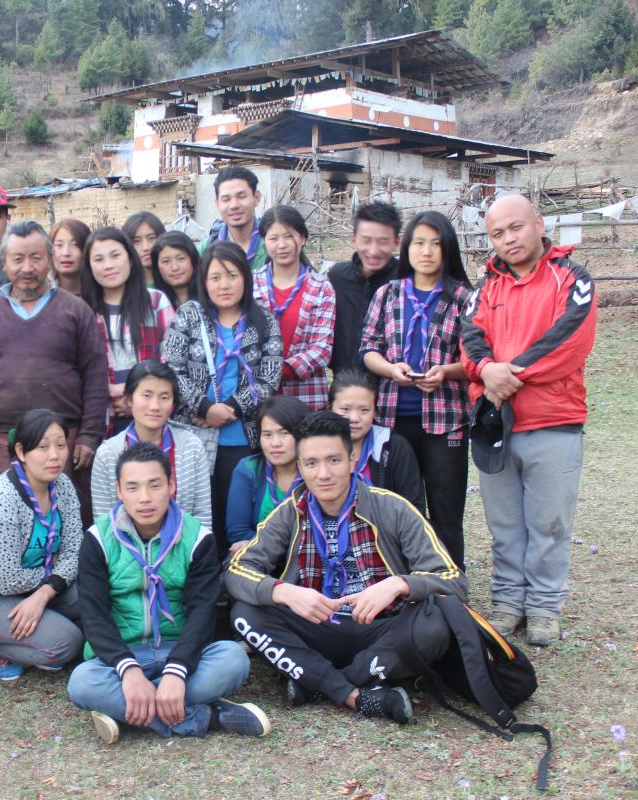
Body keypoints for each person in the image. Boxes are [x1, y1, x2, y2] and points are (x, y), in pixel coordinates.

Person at [226, 411, 466, 723]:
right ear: (299, 466)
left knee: (438, 621)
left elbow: (453, 580)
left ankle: (316, 682)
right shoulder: (290, 512)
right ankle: (357, 694)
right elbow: (236, 571)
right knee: (244, 615)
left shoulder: (392, 507)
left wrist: (399, 585)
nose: (323, 473)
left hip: (384, 630)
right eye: (311, 463)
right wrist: (284, 592)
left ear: (353, 460)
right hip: (318, 627)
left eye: (334, 460)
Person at [460, 194, 596, 647]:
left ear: (538, 223)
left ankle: (543, 608)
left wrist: (504, 373)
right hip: (496, 423)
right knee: (504, 523)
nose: (508, 239)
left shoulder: (571, 278)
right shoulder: (485, 287)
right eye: (497, 234)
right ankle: (507, 603)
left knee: (550, 522)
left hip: (553, 421)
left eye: (516, 228)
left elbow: (568, 341)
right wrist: (484, 371)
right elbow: (470, 337)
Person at [68, 442, 270, 742]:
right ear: (119, 491)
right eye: (133, 488)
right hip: (120, 657)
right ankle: (206, 715)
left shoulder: (197, 537)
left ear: (171, 485)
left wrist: (176, 672)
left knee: (234, 659)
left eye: (155, 485)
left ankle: (131, 712)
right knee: (82, 683)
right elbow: (94, 615)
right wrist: (130, 672)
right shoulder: (98, 538)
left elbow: (202, 612)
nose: (145, 498)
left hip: (180, 651)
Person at [0, 220, 108, 523]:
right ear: (3, 264)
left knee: (63, 523)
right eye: (18, 259)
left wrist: (89, 436)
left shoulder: (75, 311)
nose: (27, 267)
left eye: (36, 257)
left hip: (62, 441)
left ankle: (65, 573)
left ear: (49, 260)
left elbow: (95, 376)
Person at [361, 211, 473, 567]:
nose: (427, 251)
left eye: (436, 243)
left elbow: (476, 359)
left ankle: (450, 582)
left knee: (446, 507)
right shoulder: (388, 294)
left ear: (448, 249)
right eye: (419, 242)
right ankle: (398, 578)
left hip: (446, 420)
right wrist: (391, 370)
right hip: (393, 419)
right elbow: (368, 348)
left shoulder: (463, 298)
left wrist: (447, 372)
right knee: (396, 506)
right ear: (407, 247)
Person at [162, 241, 283, 556]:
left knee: (238, 519)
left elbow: (269, 377)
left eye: (231, 275)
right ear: (203, 281)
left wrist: (228, 408)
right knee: (200, 516)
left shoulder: (263, 320)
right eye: (215, 277)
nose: (224, 285)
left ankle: (238, 583)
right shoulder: (190, 315)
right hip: (194, 434)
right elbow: (172, 369)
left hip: (243, 438)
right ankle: (203, 583)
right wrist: (204, 407)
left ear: (245, 276)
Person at [0, 409, 84, 680]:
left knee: (96, 601)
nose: (54, 455)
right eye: (43, 447)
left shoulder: (63, 486)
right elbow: (8, 580)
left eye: (60, 444)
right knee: (67, 643)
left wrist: (43, 595)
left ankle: (40, 625)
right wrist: (55, 576)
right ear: (21, 451)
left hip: (37, 585)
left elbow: (74, 551)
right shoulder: (0, 499)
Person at [90, 360, 212, 528]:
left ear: (173, 404)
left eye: (164, 397)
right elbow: (104, 525)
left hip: (183, 548)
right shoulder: (108, 454)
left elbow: (202, 517)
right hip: (125, 551)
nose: (155, 406)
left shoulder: (191, 447)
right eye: (146, 396)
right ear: (129, 399)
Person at [81, 227, 173, 434]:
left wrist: (134, 395)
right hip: (101, 421)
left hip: (151, 418)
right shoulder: (82, 310)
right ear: (89, 267)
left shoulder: (156, 302)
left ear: (130, 259)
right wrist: (108, 391)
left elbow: (171, 360)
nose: (108, 266)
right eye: (98, 259)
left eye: (115, 255)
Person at [253, 205, 335, 410]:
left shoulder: (321, 288)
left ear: (303, 238)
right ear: (264, 242)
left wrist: (275, 370)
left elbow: (321, 349)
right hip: (257, 395)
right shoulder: (251, 284)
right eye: (273, 238)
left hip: (305, 397)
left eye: (289, 236)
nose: (282, 245)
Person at [328, 370, 425, 512]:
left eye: (364, 410)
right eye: (345, 409)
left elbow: (413, 508)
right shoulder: (315, 447)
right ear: (330, 408)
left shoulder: (394, 448)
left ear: (375, 411)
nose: (354, 418)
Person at [225, 395, 310, 554]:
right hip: (259, 559)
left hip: (305, 559)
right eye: (267, 435)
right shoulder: (249, 469)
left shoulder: (316, 472)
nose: (275, 443)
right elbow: (237, 531)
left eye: (284, 433)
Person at [328, 201, 402, 373]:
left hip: (390, 385)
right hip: (344, 383)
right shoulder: (337, 278)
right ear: (354, 240)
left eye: (383, 241)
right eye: (366, 240)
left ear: (396, 242)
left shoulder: (406, 280)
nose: (373, 250)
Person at [198, 166, 268, 272]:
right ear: (217, 204)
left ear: (256, 198)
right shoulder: (205, 249)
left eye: (241, 196)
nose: (234, 205)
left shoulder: (273, 245)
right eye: (226, 199)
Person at [151, 230, 199, 309]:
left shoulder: (211, 298)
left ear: (193, 259)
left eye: (181, 259)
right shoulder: (154, 305)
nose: (175, 267)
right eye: (166, 261)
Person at [122, 211, 165, 286]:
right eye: (136, 241)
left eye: (151, 238)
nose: (146, 247)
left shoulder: (175, 281)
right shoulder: (123, 288)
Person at [51, 217, 90, 297]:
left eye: (75, 245)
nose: (66, 253)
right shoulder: (42, 301)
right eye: (59, 245)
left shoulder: (102, 299)